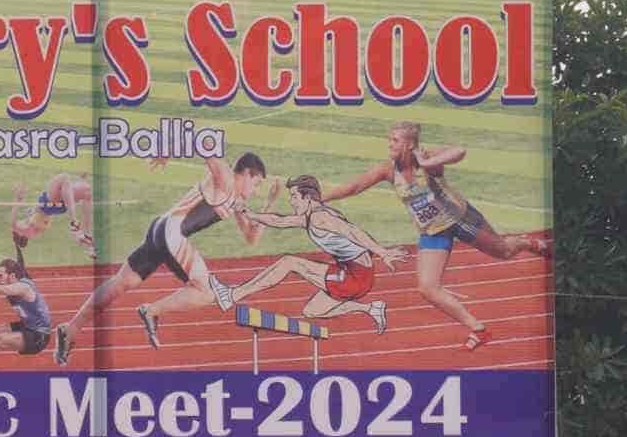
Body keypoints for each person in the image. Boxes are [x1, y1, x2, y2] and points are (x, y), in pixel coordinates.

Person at [321, 122, 551, 352]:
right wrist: (322, 198)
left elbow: (459, 151)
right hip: (432, 230)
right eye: (389, 139)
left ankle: (527, 242)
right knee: (427, 287)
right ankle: (479, 329)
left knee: (505, 251)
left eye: (395, 140)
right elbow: (355, 186)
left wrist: (428, 163)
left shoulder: (427, 158)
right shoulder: (389, 170)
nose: (389, 144)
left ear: (409, 144)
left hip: (460, 219)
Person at [53, 152, 269, 365]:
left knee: (122, 282)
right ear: (247, 173)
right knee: (207, 291)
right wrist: (167, 153)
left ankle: (70, 329)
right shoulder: (226, 176)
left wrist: (270, 204)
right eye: (257, 184)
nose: (255, 191)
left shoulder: (236, 202)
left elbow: (251, 237)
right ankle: (152, 311)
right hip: (172, 233)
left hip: (160, 228)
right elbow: (199, 143)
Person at [226, 175, 394, 334]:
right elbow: (279, 221)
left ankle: (234, 295)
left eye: (294, 197)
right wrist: (248, 213)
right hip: (352, 273)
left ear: (307, 198)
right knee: (312, 311)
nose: (291, 202)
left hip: (356, 277)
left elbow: (351, 231)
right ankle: (370, 308)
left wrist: (382, 252)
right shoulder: (309, 217)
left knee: (289, 262)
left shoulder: (320, 217)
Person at [10, 172, 97, 256]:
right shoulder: (22, 230)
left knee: (87, 192)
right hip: (48, 205)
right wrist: (18, 199)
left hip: (59, 208)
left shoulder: (33, 232)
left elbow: (39, 221)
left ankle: (87, 235)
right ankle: (75, 223)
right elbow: (13, 222)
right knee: (63, 177)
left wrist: (28, 209)